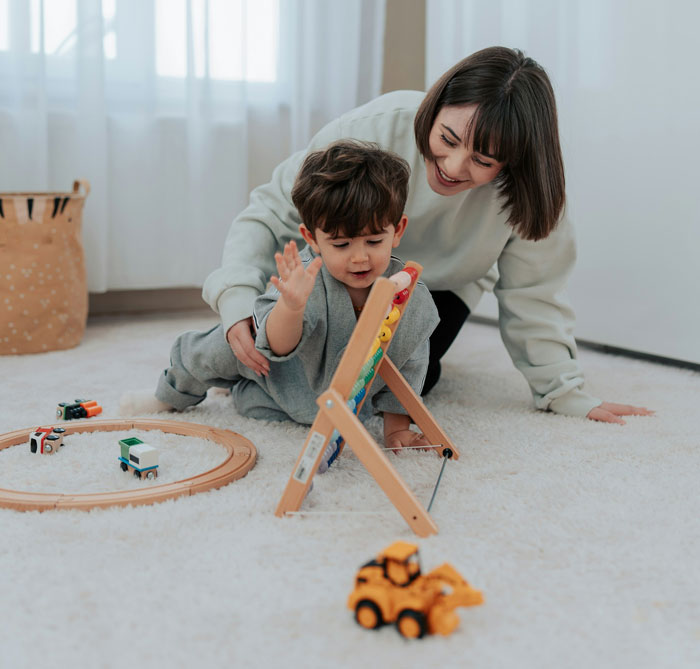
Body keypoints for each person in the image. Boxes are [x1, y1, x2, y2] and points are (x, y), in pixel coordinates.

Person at [203, 46, 652, 425]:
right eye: (448, 138)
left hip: (433, 288)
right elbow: (269, 211)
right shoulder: (376, 126)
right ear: (434, 107)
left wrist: (562, 390)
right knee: (298, 338)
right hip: (335, 272)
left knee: (408, 379)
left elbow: (536, 293)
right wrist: (237, 299)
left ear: (513, 163)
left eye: (483, 160)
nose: (455, 167)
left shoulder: (530, 193)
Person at [124, 140, 439, 449]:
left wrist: (396, 430)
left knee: (251, 404)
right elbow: (276, 346)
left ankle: (238, 390)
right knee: (220, 347)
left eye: (373, 242)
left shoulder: (408, 294)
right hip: (274, 369)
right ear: (312, 239)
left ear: (397, 231)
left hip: (312, 403)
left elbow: (407, 366)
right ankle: (169, 395)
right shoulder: (305, 277)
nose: (359, 258)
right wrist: (292, 306)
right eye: (341, 245)